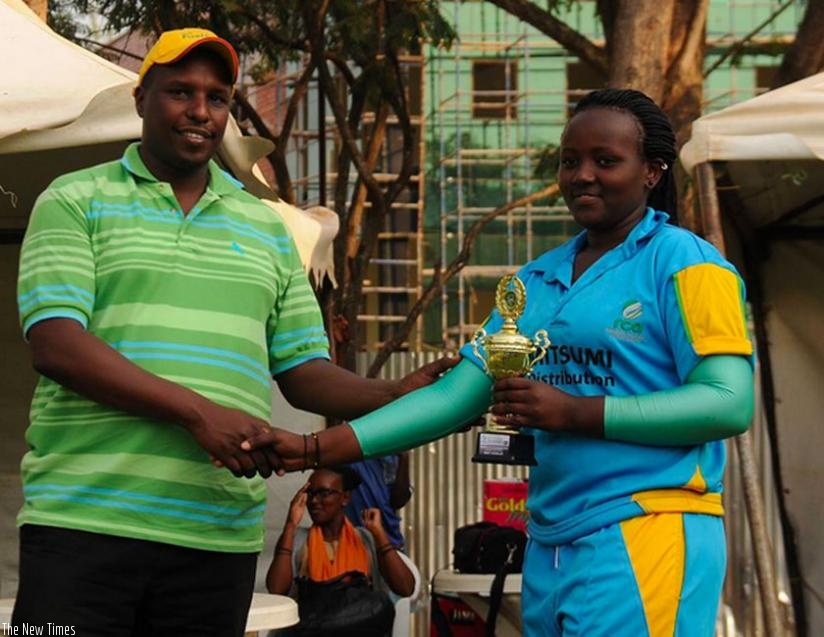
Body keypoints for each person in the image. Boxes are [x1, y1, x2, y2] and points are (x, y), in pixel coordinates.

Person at [246, 88, 755, 636]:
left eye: (606, 161)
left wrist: (575, 412)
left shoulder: (685, 261)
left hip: (650, 526)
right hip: (551, 540)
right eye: (569, 161)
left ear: (652, 171)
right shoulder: (534, 280)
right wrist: (312, 449)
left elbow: (728, 402)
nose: (582, 175)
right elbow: (450, 398)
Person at [11, 27, 455, 637]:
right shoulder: (74, 198)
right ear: (141, 99)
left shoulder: (264, 227)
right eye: (181, 92)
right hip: (84, 523)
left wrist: (394, 393)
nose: (201, 111)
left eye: (217, 98)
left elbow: (303, 371)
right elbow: (57, 344)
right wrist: (199, 414)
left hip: (216, 533)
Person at [267, 467, 414, 636]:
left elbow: (405, 588)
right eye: (310, 493)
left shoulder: (364, 539)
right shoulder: (299, 539)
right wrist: (290, 524)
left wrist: (380, 534)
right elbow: (276, 590)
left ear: (345, 498)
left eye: (324, 493)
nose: (314, 500)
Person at [344, 453, 411, 550]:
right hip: (352, 542)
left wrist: (404, 458)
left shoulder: (392, 453)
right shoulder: (346, 449)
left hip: (389, 540)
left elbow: (398, 501)